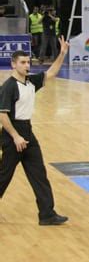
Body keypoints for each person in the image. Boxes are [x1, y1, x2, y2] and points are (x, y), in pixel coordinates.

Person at [0, 37, 69, 225]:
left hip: (28, 132)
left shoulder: (31, 81)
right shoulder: (8, 87)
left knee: (39, 174)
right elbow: (3, 115)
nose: (26, 65)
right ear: (13, 64)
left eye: (28, 62)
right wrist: (15, 137)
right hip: (12, 135)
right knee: (3, 176)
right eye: (22, 62)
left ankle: (47, 214)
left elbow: (51, 73)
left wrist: (62, 53)